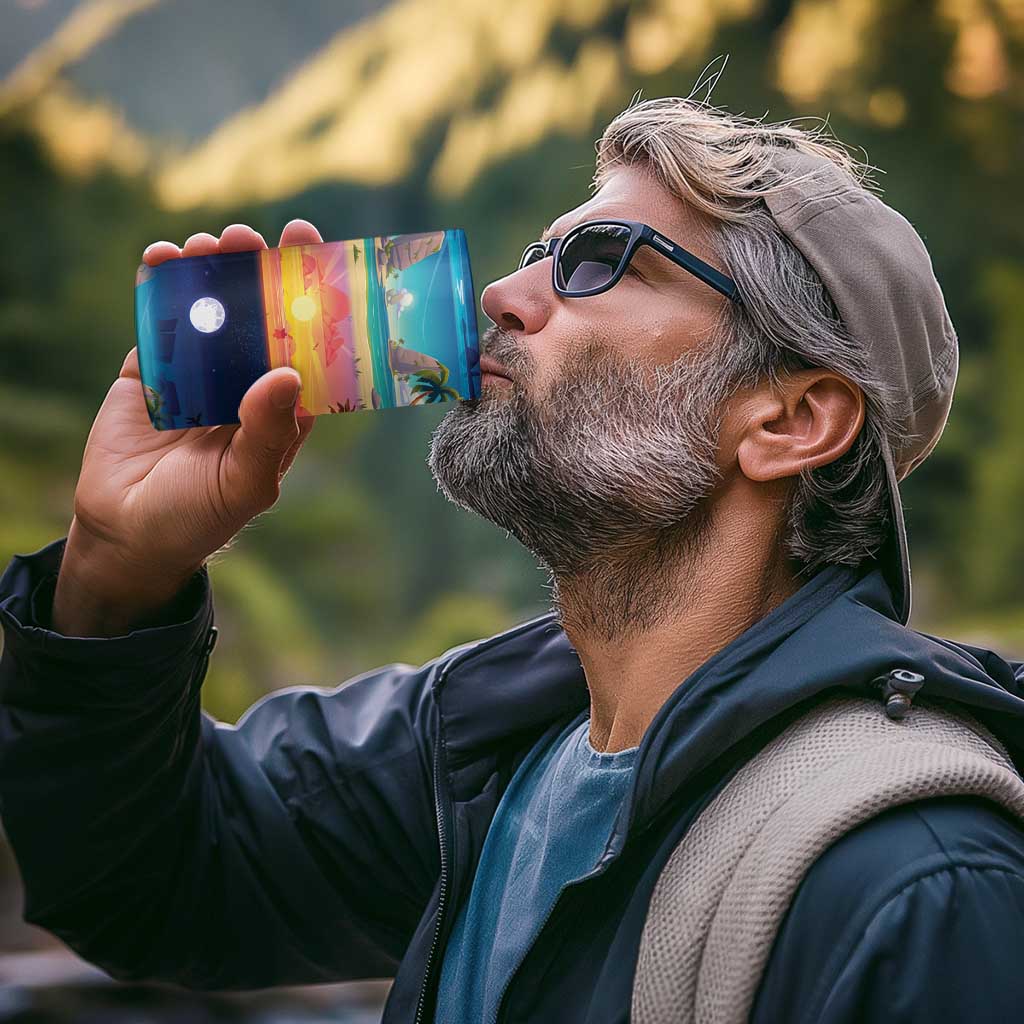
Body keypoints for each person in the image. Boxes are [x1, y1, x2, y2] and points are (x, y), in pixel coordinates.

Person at [2, 94, 1024, 1024]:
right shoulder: (480, 749)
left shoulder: (918, 885)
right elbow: (148, 880)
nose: (502, 291)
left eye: (599, 261)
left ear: (790, 419)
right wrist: (116, 571)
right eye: (540, 252)